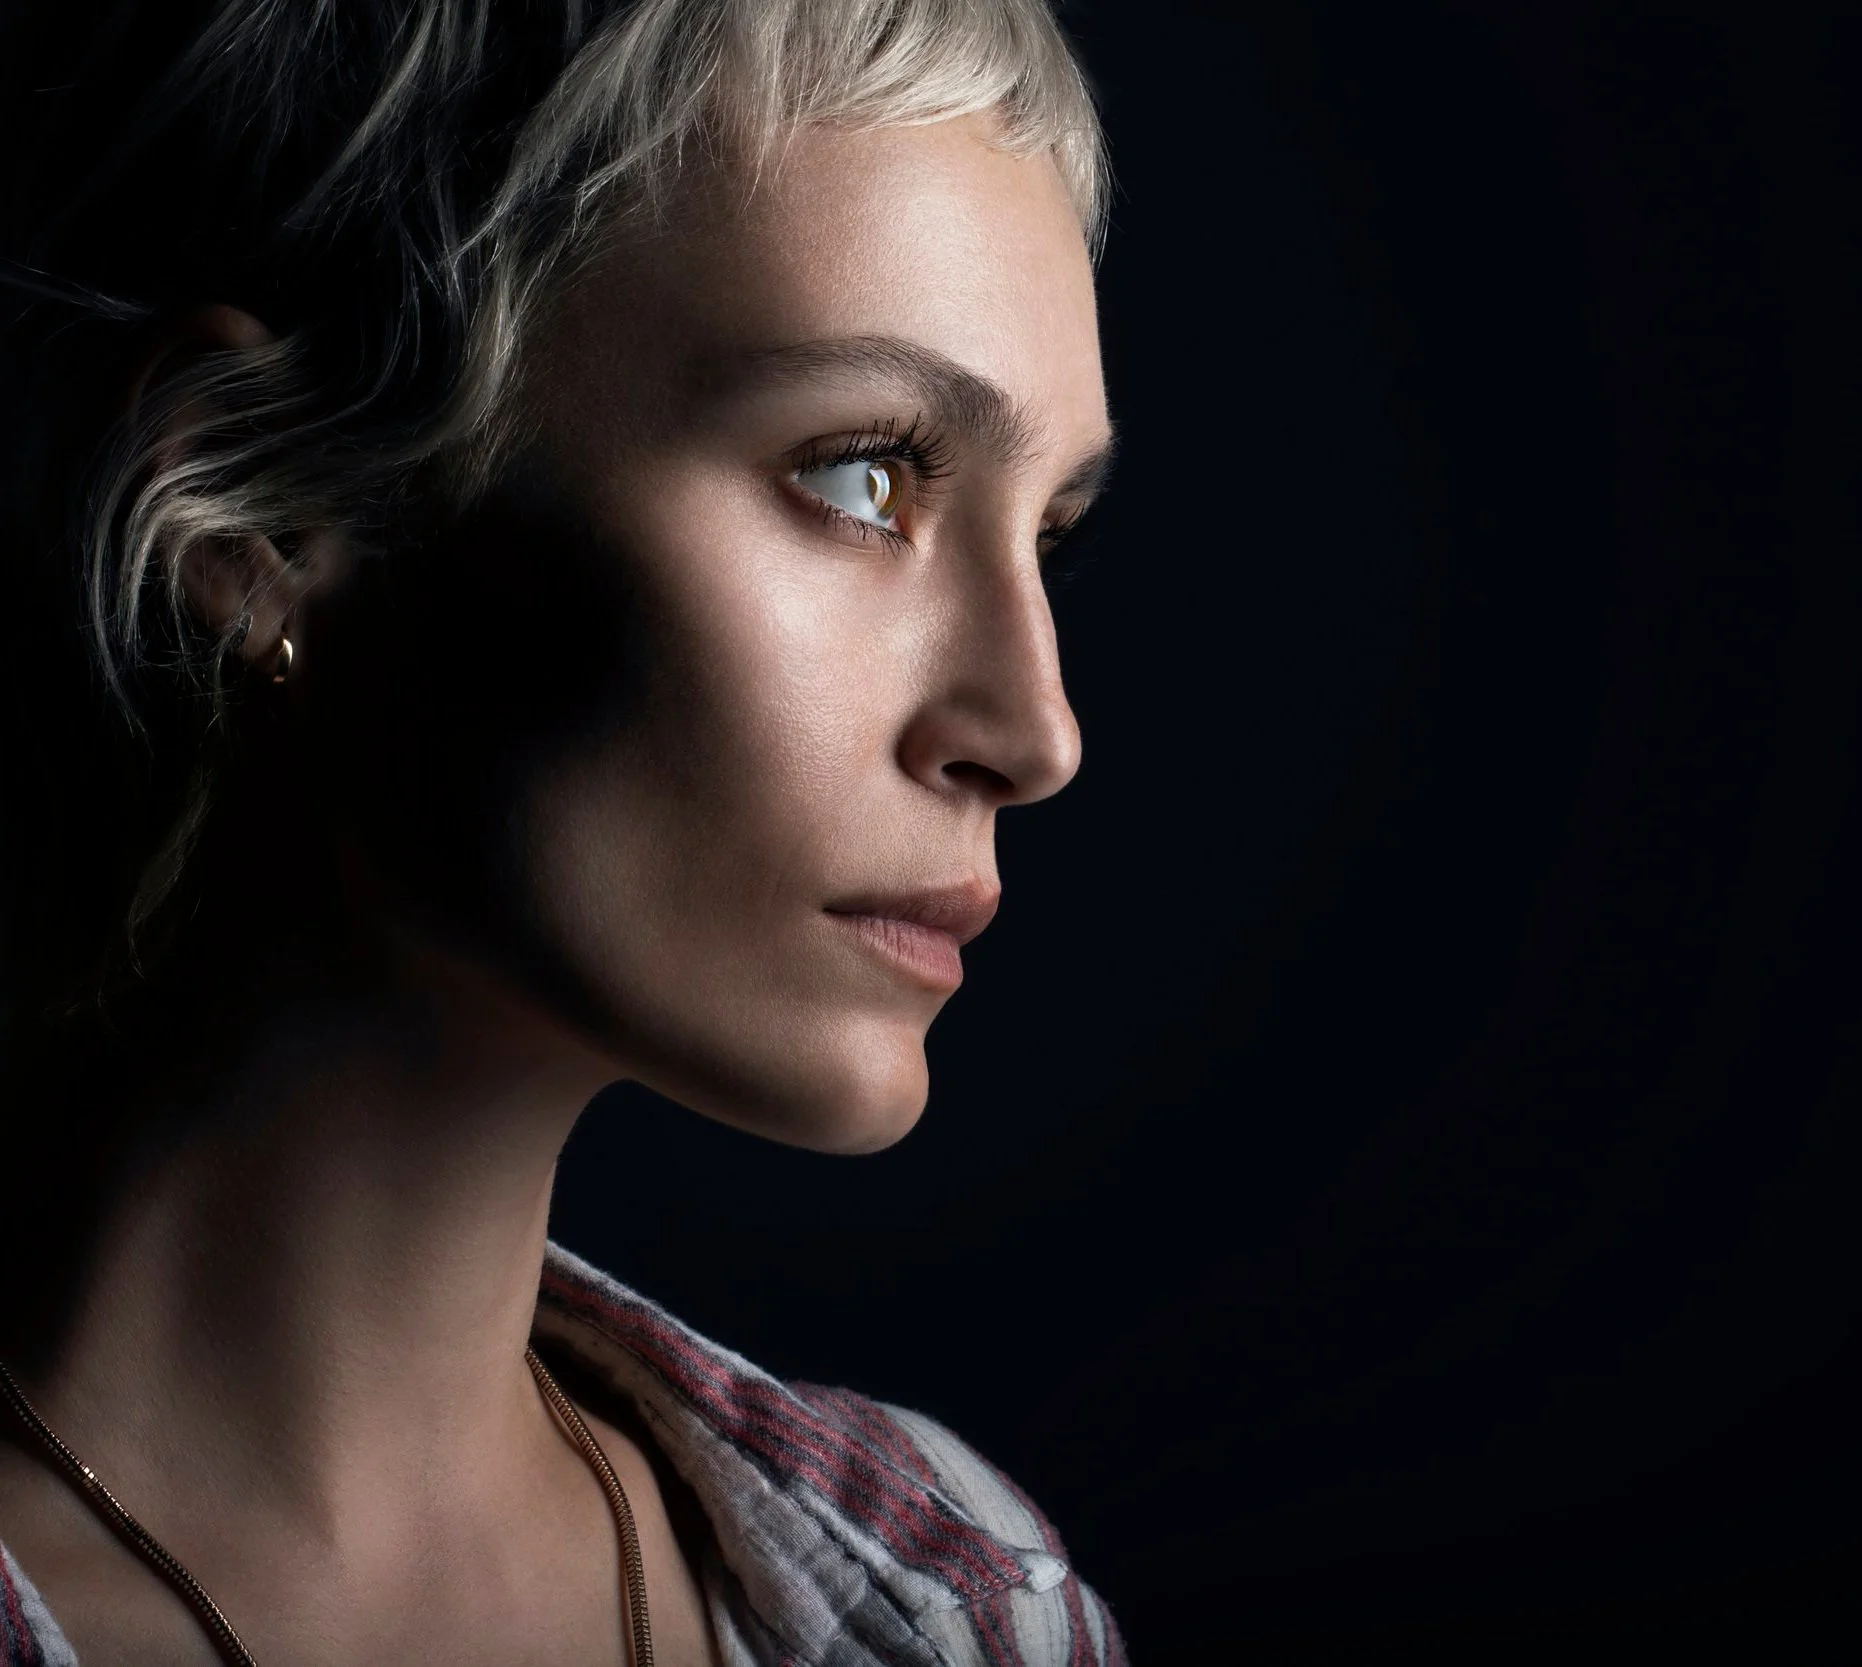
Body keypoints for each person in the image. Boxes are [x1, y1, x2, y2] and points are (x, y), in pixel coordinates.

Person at [0, 2, 1121, 1662]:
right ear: (261, 512)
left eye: (1052, 534)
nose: (1036, 734)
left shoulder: (964, 1613)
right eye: (863, 476)